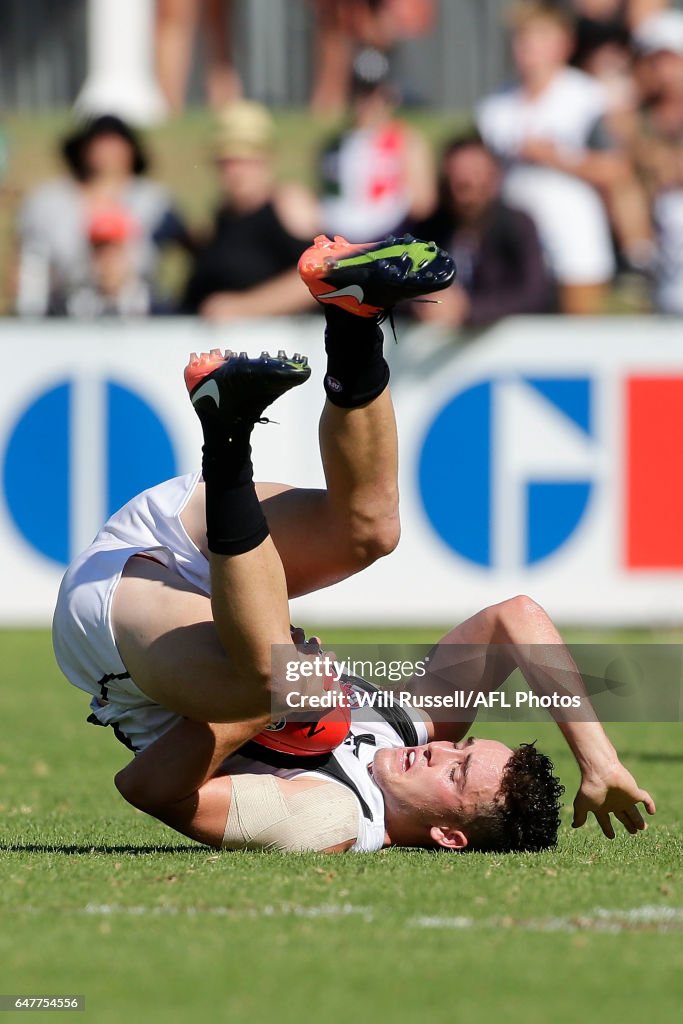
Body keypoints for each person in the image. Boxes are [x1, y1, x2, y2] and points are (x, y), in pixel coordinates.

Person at [52, 234, 655, 853]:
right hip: (192, 530)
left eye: (456, 773)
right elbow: (515, 618)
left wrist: (276, 704)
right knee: (371, 530)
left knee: (267, 678)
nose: (441, 749)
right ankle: (354, 316)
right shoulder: (412, 734)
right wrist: (599, 760)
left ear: (449, 834)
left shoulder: (335, 817)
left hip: (116, 627)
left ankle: (228, 435)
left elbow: (150, 790)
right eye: (462, 745)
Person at [477, 2, 651, 314]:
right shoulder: (494, 107)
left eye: (540, 36)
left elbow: (617, 168)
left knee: (575, 338)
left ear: (564, 44)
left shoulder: (587, 97)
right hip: (514, 248)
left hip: (574, 244)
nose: (529, 47)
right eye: (522, 37)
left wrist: (556, 158)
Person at [16, 115, 191, 317]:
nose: (106, 152)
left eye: (114, 144)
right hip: (64, 311)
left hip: (138, 311)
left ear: (131, 150)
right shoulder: (47, 202)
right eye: (99, 143)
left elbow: (194, 251)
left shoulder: (155, 203)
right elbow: (27, 261)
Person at [181, 101, 320, 321]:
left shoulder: (288, 205)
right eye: (227, 162)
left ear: (266, 160)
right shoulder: (223, 216)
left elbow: (325, 276)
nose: (235, 172)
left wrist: (246, 307)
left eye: (245, 160)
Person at [412, 135, 554, 328]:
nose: (467, 185)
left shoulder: (517, 224)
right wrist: (422, 304)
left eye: (476, 174)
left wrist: (468, 309)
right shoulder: (430, 229)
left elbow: (534, 294)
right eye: (458, 179)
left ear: (495, 178)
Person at [319, 48, 436, 243]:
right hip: (340, 236)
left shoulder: (407, 142)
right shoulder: (335, 145)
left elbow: (423, 204)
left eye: (375, 93)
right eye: (360, 93)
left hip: (392, 236)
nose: (367, 102)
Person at [628, 10, 683, 312]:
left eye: (671, 60)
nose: (663, 71)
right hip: (658, 231)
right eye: (655, 61)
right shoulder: (635, 119)